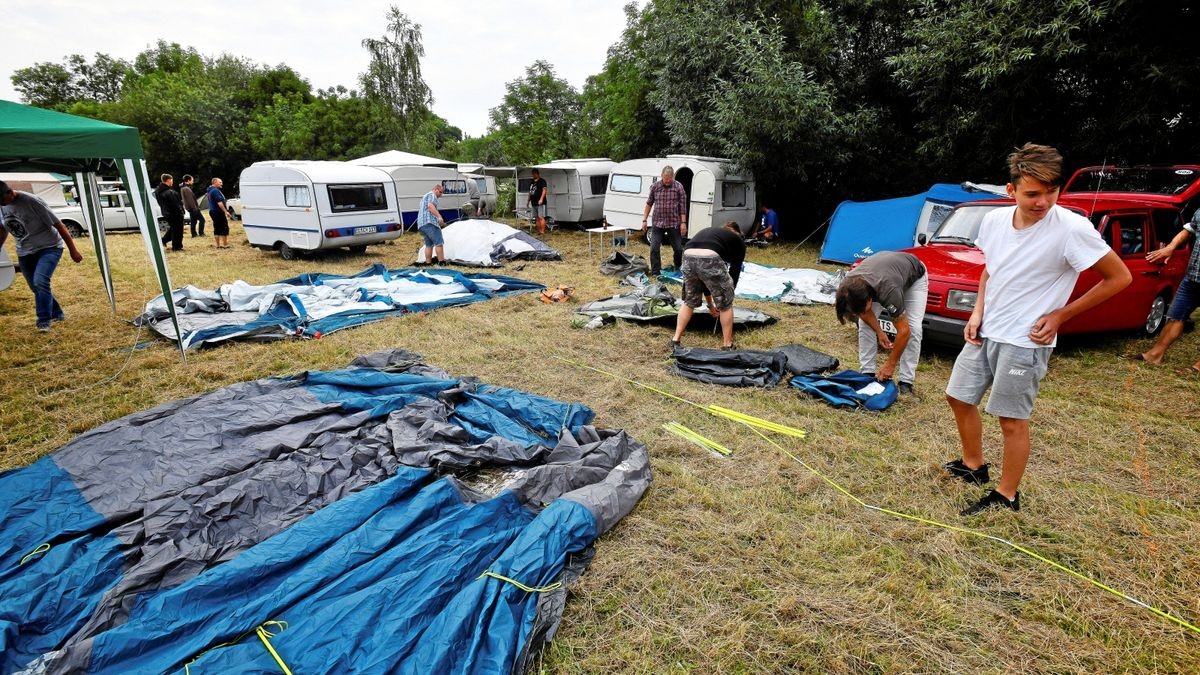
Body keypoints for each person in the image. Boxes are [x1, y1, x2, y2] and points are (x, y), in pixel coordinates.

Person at [944, 143, 1131, 515]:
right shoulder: (995, 221)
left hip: (1025, 340)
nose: (1043, 201)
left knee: (1011, 419)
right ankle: (973, 466)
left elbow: (1119, 277)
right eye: (1033, 193)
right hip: (987, 330)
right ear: (1011, 191)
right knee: (958, 396)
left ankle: (1006, 495)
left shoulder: (1072, 229)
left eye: (1051, 191)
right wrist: (977, 311)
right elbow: (990, 269)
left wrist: (1062, 315)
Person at [834, 251, 928, 395]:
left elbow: (904, 331)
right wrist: (879, 331)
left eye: (864, 308)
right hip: (879, 274)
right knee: (865, 325)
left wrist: (890, 365)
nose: (861, 313)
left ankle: (906, 381)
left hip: (913, 275)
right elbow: (863, 313)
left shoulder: (888, 290)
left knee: (914, 328)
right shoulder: (848, 286)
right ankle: (867, 373)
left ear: (870, 300)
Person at [0, 179, 85, 331]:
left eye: (1, 200)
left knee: (40, 281)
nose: (1, 204)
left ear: (9, 192)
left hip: (49, 247)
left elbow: (59, 225)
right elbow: (3, 229)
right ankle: (57, 313)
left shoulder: (32, 202)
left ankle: (43, 321)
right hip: (24, 251)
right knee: (36, 287)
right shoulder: (2, 205)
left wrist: (73, 250)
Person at [1135, 209, 1200, 375]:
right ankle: (1154, 355)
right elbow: (1188, 230)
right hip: (1192, 277)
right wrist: (1170, 247)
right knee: (1175, 316)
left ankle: (1198, 368)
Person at [670, 221, 746, 350]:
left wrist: (711, 305)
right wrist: (727, 295)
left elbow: (704, 279)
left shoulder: (715, 233)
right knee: (726, 305)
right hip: (710, 256)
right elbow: (735, 271)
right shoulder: (739, 242)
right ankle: (727, 345)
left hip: (688, 255)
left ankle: (675, 340)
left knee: (689, 301)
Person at [641, 165, 688, 276]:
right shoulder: (655, 187)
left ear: (673, 177)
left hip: (673, 223)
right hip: (658, 222)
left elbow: (683, 207)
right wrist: (644, 220)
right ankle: (656, 272)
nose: (667, 181)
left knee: (678, 249)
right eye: (665, 179)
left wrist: (683, 223)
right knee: (654, 248)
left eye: (669, 179)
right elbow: (649, 203)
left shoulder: (678, 187)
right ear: (662, 176)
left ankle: (678, 267)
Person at [416, 183, 446, 266]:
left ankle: (428, 263)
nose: (441, 195)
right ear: (435, 189)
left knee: (429, 245)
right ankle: (442, 262)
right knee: (439, 242)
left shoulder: (425, 196)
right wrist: (439, 217)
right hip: (430, 223)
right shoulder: (432, 195)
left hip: (422, 225)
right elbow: (430, 206)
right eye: (440, 192)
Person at [155, 174, 185, 251]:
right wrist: (181, 212)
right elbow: (175, 204)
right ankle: (177, 247)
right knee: (178, 231)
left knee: (174, 229)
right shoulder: (169, 192)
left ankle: (164, 240)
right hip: (175, 213)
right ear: (168, 180)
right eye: (172, 180)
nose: (172, 181)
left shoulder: (158, 191)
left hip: (167, 213)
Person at [206, 177, 234, 249]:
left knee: (217, 228)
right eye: (220, 182)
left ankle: (218, 245)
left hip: (212, 211)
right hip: (218, 212)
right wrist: (226, 212)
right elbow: (220, 203)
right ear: (215, 183)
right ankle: (225, 245)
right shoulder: (215, 191)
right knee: (224, 227)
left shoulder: (209, 190)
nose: (222, 184)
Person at [527, 168, 548, 234]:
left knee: (541, 217)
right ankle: (539, 231)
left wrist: (541, 199)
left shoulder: (542, 181)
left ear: (537, 174)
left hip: (540, 202)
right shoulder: (532, 182)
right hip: (533, 202)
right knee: (536, 218)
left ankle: (542, 231)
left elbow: (544, 190)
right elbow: (530, 192)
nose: (533, 175)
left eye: (534, 174)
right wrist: (528, 201)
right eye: (532, 174)